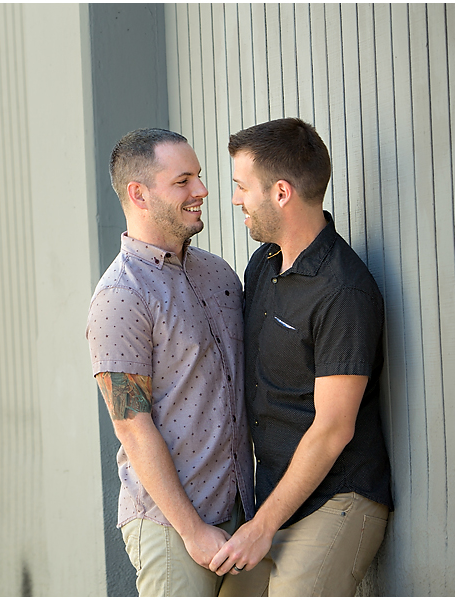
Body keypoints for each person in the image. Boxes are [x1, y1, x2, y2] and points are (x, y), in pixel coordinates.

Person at [210, 118, 393, 596]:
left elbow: (334, 428)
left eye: (241, 187)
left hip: (339, 498)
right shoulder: (263, 264)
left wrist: (261, 525)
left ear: (282, 192)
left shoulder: (342, 290)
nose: (235, 200)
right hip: (277, 496)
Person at [86, 128, 254, 596]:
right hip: (174, 527)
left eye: (198, 177)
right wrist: (193, 531)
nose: (201, 190)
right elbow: (131, 427)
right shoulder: (122, 296)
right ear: (139, 194)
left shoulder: (218, 273)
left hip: (244, 518)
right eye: (183, 181)